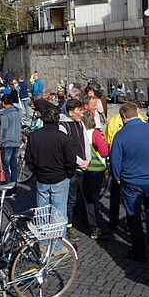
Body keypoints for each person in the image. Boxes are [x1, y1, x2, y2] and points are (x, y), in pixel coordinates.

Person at [111, 102, 149, 261]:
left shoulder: (121, 135)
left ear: (123, 116)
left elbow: (115, 161)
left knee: (133, 216)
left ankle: (139, 250)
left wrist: (117, 178)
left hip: (131, 182)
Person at [26, 108, 77, 228]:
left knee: (41, 213)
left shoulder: (34, 136)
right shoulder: (63, 137)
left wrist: (37, 172)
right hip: (60, 177)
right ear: (58, 121)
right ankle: (58, 244)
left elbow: (29, 159)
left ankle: (43, 242)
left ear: (43, 120)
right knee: (59, 214)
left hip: (42, 177)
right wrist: (68, 174)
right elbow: (71, 159)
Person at [59, 99, 90, 239]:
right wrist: (79, 161)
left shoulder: (80, 124)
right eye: (79, 111)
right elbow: (67, 149)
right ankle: (69, 225)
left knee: (83, 196)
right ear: (71, 113)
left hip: (83, 165)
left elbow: (86, 143)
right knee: (70, 198)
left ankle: (86, 221)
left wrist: (87, 159)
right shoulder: (63, 126)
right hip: (72, 167)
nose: (82, 114)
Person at [82, 108, 110, 240]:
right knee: (94, 199)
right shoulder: (95, 134)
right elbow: (104, 152)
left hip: (83, 169)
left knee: (86, 198)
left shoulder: (80, 133)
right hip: (96, 169)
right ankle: (96, 225)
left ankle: (88, 221)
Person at [0, 94, 21, 186]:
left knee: (6, 167)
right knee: (14, 166)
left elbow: (3, 130)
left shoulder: (4, 114)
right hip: (16, 141)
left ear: (3, 103)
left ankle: (8, 187)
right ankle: (14, 187)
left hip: (7, 142)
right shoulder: (17, 112)